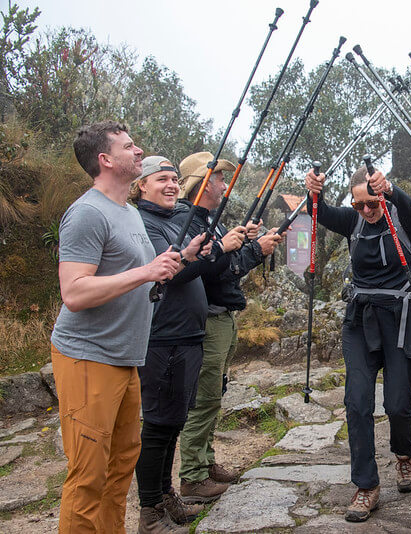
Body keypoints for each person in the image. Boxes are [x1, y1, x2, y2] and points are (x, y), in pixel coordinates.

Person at [49, 121, 199, 533]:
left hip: (126, 358)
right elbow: (75, 292)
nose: (138, 151)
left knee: (119, 468)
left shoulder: (129, 211)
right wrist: (147, 270)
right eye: (129, 146)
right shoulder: (86, 213)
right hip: (87, 356)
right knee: (88, 475)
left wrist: (179, 258)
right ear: (105, 160)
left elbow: (143, 274)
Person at [304, 164, 411, 523]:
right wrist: (313, 191)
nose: (366, 211)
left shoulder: (403, 220)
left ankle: (404, 456)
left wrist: (391, 188)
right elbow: (317, 211)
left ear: (383, 198)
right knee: (356, 402)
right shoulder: (353, 221)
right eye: (359, 206)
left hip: (400, 318)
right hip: (360, 319)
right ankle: (366, 486)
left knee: (398, 403)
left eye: (373, 203)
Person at [176, 152, 283, 503]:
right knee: (204, 398)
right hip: (207, 319)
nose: (225, 185)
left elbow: (223, 260)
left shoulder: (210, 220)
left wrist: (244, 240)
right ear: (203, 184)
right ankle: (192, 476)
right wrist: (255, 249)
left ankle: (205, 463)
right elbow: (220, 269)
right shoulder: (190, 222)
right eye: (220, 179)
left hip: (222, 317)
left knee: (214, 393)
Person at [130, 156, 217, 533]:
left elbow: (189, 269)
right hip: (162, 338)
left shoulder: (173, 219)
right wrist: (192, 256)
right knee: (157, 424)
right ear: (141, 186)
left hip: (188, 335)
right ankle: (149, 511)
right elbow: (166, 273)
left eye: (174, 180)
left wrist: (207, 255)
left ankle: (165, 495)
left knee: (173, 422)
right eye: (161, 179)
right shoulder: (143, 223)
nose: (171, 186)